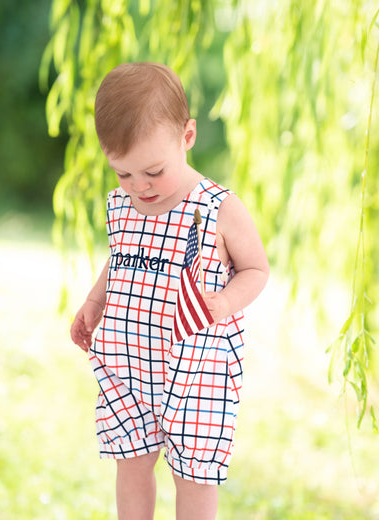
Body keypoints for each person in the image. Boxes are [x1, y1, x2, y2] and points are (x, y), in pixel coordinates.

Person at [70, 62, 269, 520]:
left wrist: (224, 303)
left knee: (195, 475)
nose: (139, 187)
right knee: (131, 462)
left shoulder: (218, 207)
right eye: (123, 174)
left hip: (197, 369)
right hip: (130, 361)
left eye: (153, 172)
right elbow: (122, 255)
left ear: (188, 136)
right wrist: (95, 301)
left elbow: (256, 268)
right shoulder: (123, 204)